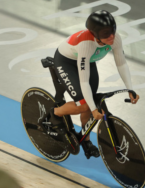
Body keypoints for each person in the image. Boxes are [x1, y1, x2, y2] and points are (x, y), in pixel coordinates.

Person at [50, 10, 139, 159]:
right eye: (106, 33)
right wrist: (92, 109)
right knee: (85, 105)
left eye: (112, 30)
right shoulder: (86, 44)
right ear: (95, 34)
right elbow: (84, 81)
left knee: (92, 101)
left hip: (88, 62)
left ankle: (86, 140)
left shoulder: (115, 38)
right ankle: (56, 114)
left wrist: (130, 88)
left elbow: (122, 64)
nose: (111, 36)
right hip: (66, 62)